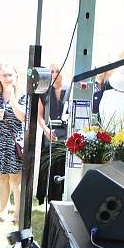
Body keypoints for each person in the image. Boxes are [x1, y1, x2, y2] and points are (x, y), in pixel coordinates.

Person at [0, 63, 26, 224]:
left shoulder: (23, 96)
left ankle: (17, 215)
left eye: (10, 75)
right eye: (4, 75)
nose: (7, 78)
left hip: (14, 142)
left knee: (15, 180)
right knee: (2, 179)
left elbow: (23, 117)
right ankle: (3, 212)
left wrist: (12, 98)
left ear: (15, 77)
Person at [36, 63, 69, 204]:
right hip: (49, 133)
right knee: (48, 166)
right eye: (52, 71)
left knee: (62, 166)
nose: (54, 74)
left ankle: (61, 196)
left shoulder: (69, 90)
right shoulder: (45, 92)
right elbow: (39, 115)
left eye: (57, 71)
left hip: (65, 135)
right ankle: (47, 197)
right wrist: (46, 130)